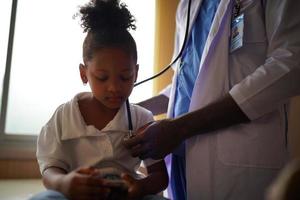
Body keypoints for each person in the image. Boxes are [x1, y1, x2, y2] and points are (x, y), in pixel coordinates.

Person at [124, 0, 300, 199]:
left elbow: (291, 64)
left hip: (238, 163)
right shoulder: (187, 6)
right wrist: (128, 111)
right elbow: (184, 85)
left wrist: (180, 128)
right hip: (182, 161)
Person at [30, 0, 168, 199]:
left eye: (125, 77)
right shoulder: (65, 117)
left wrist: (141, 188)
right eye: (102, 77)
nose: (114, 87)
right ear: (84, 74)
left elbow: (159, 176)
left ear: (136, 73)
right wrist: (64, 183)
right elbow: (50, 170)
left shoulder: (141, 119)